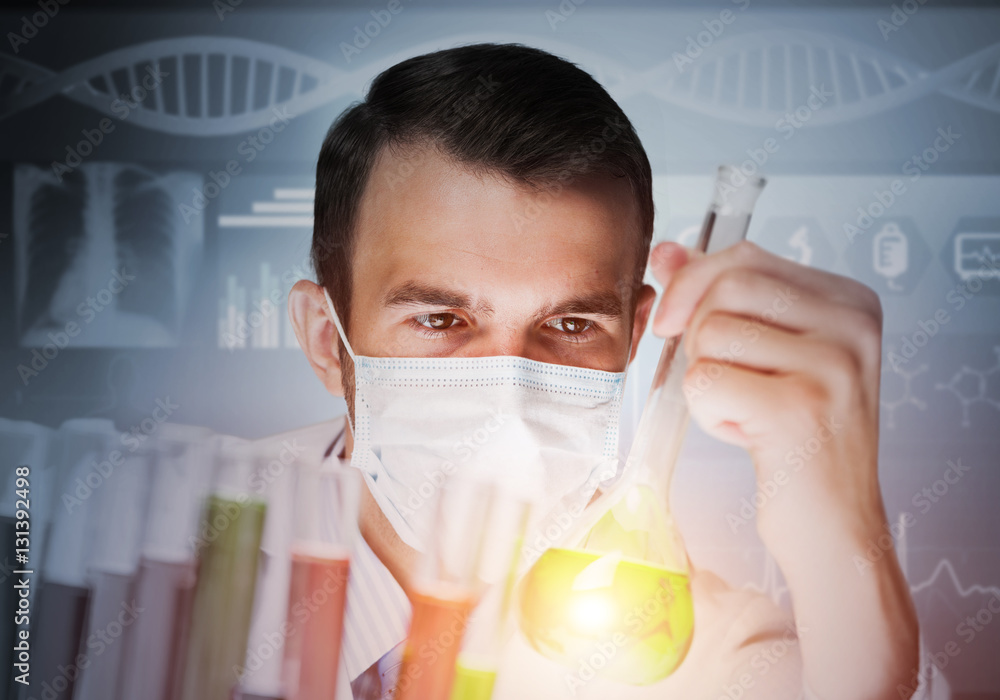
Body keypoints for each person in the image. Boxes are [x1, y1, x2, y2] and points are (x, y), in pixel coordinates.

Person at [285, 42, 922, 699]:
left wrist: (844, 538)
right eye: (442, 320)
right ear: (329, 341)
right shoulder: (195, 547)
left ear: (637, 336)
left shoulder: (679, 647)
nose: (509, 390)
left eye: (570, 325)